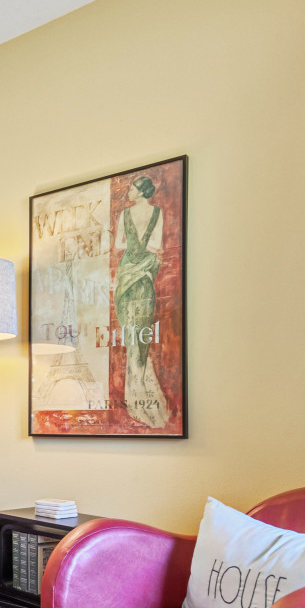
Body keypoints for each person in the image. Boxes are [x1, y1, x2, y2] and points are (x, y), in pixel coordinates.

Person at [113, 175, 171, 428]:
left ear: (142, 191)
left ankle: (136, 392)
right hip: (146, 271)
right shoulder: (157, 213)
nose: (129, 192)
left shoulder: (125, 215)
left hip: (127, 271)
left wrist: (133, 246)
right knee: (141, 329)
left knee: (131, 330)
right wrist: (147, 255)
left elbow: (119, 244)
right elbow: (156, 245)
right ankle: (140, 392)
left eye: (133, 188)